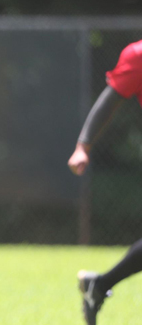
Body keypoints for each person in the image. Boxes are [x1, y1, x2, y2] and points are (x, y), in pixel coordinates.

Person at [68, 39, 142, 325]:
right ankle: (98, 286)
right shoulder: (138, 55)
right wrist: (82, 146)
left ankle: (98, 286)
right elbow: (109, 100)